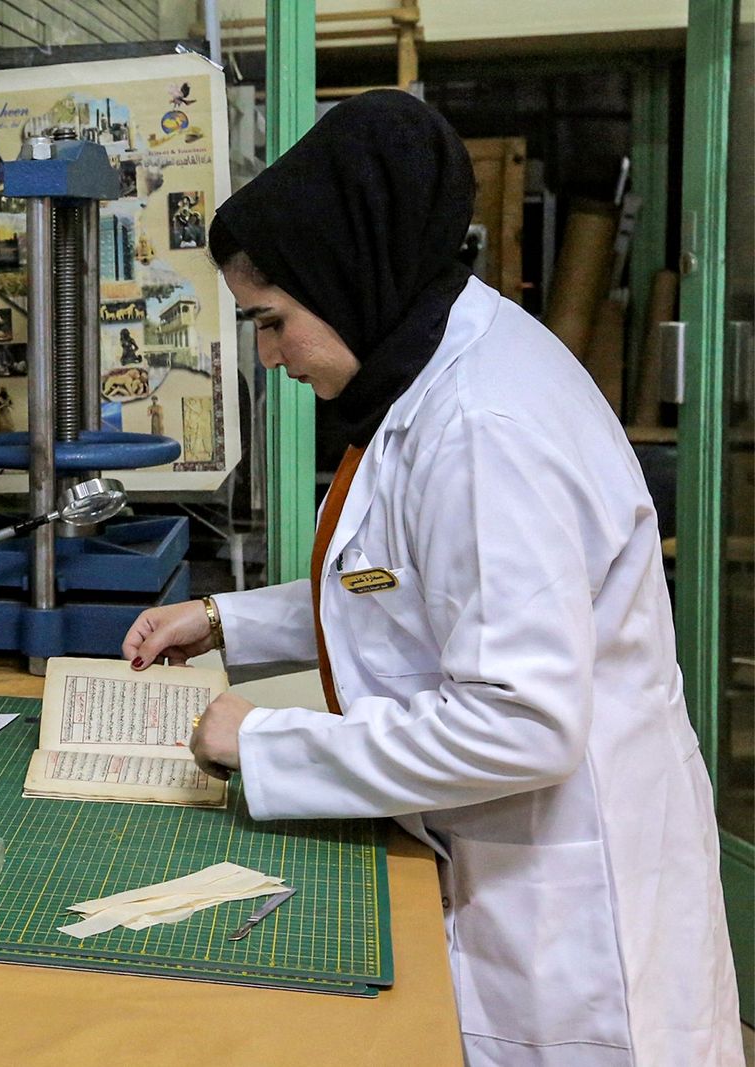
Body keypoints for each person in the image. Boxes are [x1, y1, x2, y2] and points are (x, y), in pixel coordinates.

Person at [121, 91, 741, 1066]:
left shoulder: (481, 426)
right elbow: (404, 581)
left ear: (344, 276)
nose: (272, 355)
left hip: (568, 915)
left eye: (273, 321)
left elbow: (523, 721)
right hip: (509, 864)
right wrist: (226, 619)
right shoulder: (435, 366)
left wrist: (270, 740)